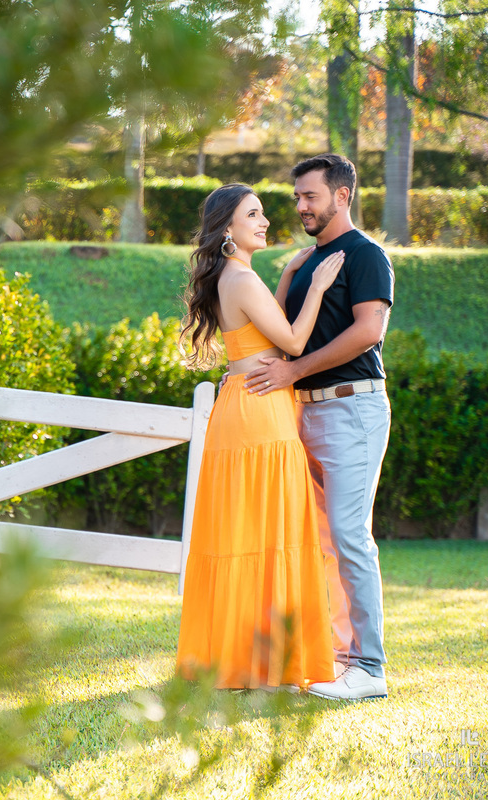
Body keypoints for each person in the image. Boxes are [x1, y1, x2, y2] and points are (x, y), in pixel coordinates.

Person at [175, 183, 344, 690]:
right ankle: (270, 663)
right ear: (228, 228)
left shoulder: (236, 277)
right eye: (254, 214)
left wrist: (291, 273)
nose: (266, 221)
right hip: (260, 414)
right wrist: (316, 287)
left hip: (241, 407)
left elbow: (264, 330)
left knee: (248, 534)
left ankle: (241, 661)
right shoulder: (242, 279)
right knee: (272, 533)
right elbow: (292, 340)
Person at [244, 153, 394, 701]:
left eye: (310, 196)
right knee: (318, 541)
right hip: (302, 412)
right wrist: (287, 275)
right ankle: (332, 657)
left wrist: (293, 372)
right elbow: (281, 332)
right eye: (297, 198)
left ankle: (370, 668)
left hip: (352, 408)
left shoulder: (365, 255)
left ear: (342, 195)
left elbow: (366, 333)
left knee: (350, 536)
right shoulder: (309, 260)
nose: (301, 206)